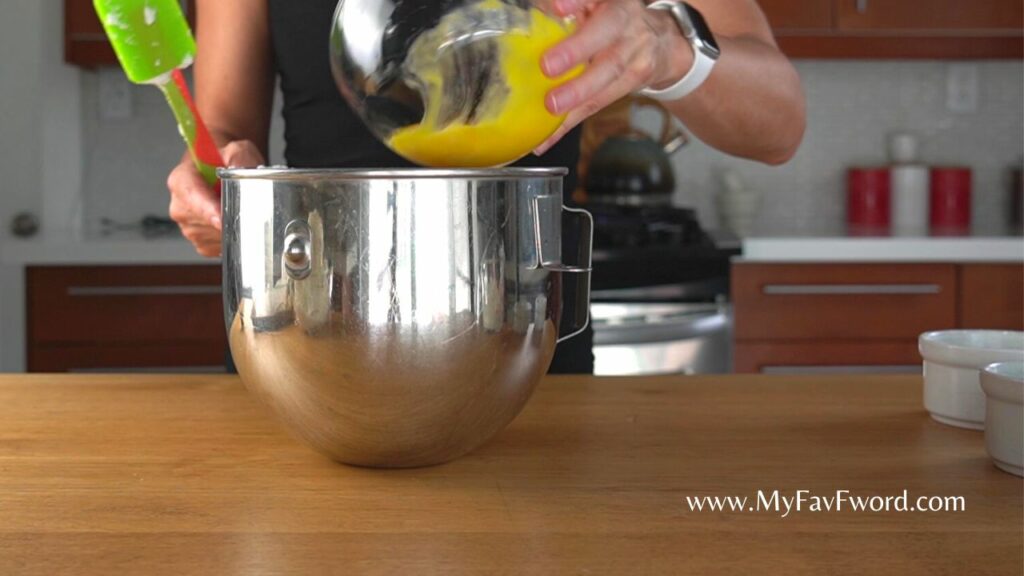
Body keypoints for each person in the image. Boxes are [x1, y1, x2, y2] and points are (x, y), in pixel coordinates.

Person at [168, 0, 806, 374]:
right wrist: (211, 175)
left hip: (525, 355)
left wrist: (671, 48)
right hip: (307, 344)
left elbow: (779, 121)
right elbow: (226, 132)